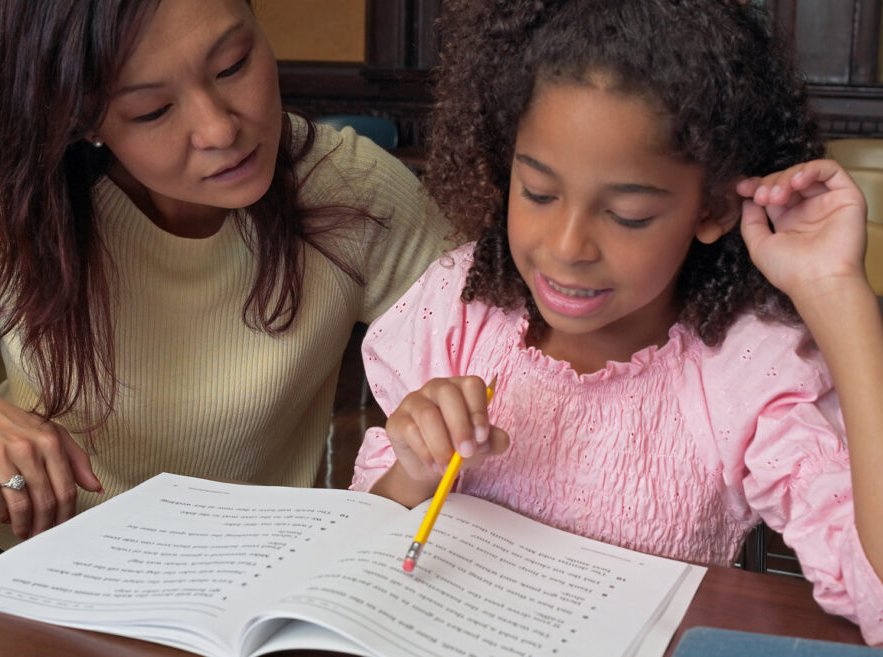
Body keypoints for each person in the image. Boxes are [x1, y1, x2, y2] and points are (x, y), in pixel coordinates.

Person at [350, 0, 883, 644]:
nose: (568, 245)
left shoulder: (743, 372)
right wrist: (414, 466)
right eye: (538, 194)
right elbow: (363, 541)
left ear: (712, 207)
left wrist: (837, 296)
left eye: (628, 215)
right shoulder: (461, 312)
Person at [0, 0, 449, 554]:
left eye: (233, 64)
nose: (219, 129)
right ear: (83, 115)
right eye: (152, 110)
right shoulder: (1, 188)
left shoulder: (351, 190)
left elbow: (502, 348)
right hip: (43, 565)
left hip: (260, 574)